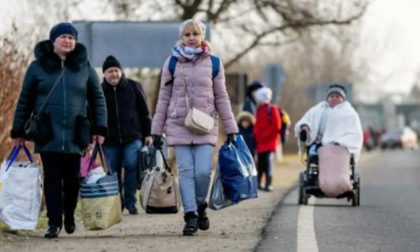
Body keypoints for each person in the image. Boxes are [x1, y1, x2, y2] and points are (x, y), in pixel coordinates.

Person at [11, 22, 108, 239]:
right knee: (52, 177)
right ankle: (54, 223)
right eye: (63, 36)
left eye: (71, 37)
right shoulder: (37, 67)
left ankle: (70, 215)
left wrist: (100, 128)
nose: (67, 41)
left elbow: (97, 98)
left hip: (76, 133)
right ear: (53, 40)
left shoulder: (85, 67)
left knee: (73, 178)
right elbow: (25, 99)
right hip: (47, 132)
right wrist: (18, 130)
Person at [151, 19, 238, 236]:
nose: (191, 38)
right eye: (187, 34)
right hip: (178, 123)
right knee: (186, 172)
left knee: (202, 172)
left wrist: (231, 128)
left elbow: (222, 97)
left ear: (202, 37)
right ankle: (190, 215)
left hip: (205, 125)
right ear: (182, 37)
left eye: (195, 34)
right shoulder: (171, 62)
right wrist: (156, 129)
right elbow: (163, 98)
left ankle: (200, 205)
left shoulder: (214, 63)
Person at [101, 55, 153, 215]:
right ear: (104, 74)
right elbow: (93, 115)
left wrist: (148, 133)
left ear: (121, 71)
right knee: (113, 171)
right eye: (110, 71)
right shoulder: (99, 91)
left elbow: (145, 112)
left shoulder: (133, 87)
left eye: (116, 70)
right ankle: (118, 202)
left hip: (133, 136)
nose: (114, 74)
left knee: (131, 165)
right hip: (109, 139)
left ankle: (130, 201)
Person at [295, 84, 363, 196]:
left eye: (337, 96)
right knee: (313, 154)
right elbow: (305, 120)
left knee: (334, 155)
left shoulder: (350, 113)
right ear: (328, 98)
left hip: (342, 146)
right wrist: (305, 126)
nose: (335, 98)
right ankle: (320, 183)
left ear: (343, 98)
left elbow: (355, 133)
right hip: (319, 143)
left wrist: (341, 142)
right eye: (332, 96)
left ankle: (339, 184)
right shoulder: (318, 109)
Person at [253, 87, 281, 191]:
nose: (256, 101)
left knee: (268, 162)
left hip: (269, 142)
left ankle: (269, 182)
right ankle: (259, 182)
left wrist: (265, 134)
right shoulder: (259, 110)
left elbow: (277, 126)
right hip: (260, 142)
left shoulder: (272, 109)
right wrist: (256, 135)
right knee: (260, 163)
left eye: (258, 99)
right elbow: (258, 125)